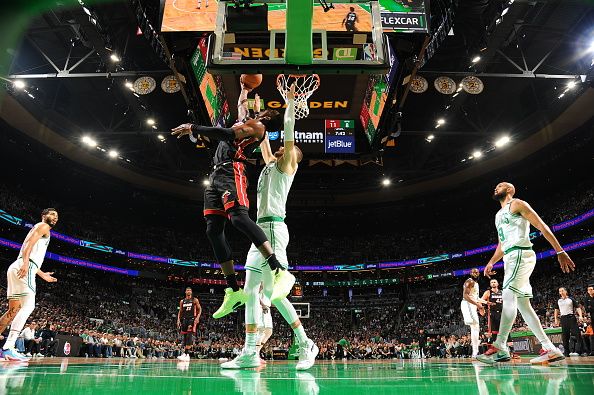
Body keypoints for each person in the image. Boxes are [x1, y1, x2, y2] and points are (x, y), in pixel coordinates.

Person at [171, 81, 293, 320]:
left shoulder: (258, 128)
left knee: (238, 218)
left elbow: (226, 133)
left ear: (267, 117)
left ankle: (278, 269)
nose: (259, 110)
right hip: (216, 173)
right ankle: (233, 290)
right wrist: (244, 90)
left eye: (265, 111)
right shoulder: (249, 121)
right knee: (213, 230)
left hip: (231, 171)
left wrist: (193, 127)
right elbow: (240, 109)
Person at [221, 84, 317, 370]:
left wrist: (289, 103)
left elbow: (288, 135)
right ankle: (251, 352)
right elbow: (262, 137)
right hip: (258, 231)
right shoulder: (268, 164)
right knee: (251, 291)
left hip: (274, 229)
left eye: (290, 150)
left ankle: (305, 342)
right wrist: (253, 110)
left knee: (277, 293)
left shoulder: (287, 165)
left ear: (294, 158)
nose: (283, 148)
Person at [477, 182, 575, 365]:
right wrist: (491, 262)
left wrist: (560, 251)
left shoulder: (517, 203)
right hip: (510, 256)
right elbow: (501, 245)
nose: (495, 187)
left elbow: (542, 226)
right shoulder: (498, 215)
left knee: (507, 296)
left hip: (520, 254)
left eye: (500, 185)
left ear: (510, 190)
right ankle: (550, 348)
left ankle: (500, 346)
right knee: (523, 305)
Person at [0, 208, 58, 361]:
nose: (54, 217)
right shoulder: (43, 226)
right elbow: (29, 245)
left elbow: (30, 249)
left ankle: (5, 347)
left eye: (56, 215)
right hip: (25, 266)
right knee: (29, 306)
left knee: (12, 311)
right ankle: (8, 347)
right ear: (43, 216)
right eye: (52, 214)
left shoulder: (40, 228)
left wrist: (42, 274)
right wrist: (26, 264)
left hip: (16, 267)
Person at [461, 268, 485, 358]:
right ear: (470, 273)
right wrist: (478, 305)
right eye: (474, 272)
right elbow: (465, 295)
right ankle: (475, 352)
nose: (476, 273)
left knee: (475, 328)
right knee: (475, 327)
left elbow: (476, 298)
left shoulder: (476, 284)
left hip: (472, 305)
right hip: (468, 304)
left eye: (477, 272)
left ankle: (475, 351)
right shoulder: (469, 281)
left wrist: (486, 302)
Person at [554, 287, 583, 357]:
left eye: (562, 290)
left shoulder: (571, 299)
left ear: (566, 291)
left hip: (571, 318)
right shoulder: (558, 301)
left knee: (577, 334)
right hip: (563, 319)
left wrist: (580, 316)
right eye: (560, 291)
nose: (561, 292)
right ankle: (566, 352)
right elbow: (556, 310)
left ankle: (581, 351)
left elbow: (578, 308)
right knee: (565, 336)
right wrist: (556, 319)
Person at [177, 287, 201, 362]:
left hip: (192, 319)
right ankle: (185, 354)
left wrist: (197, 318)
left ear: (191, 292)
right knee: (184, 337)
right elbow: (180, 311)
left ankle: (187, 354)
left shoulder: (195, 300)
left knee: (189, 336)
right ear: (185, 292)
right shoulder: (182, 301)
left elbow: (200, 309)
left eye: (190, 290)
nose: (188, 291)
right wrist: (178, 319)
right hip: (184, 319)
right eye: (187, 290)